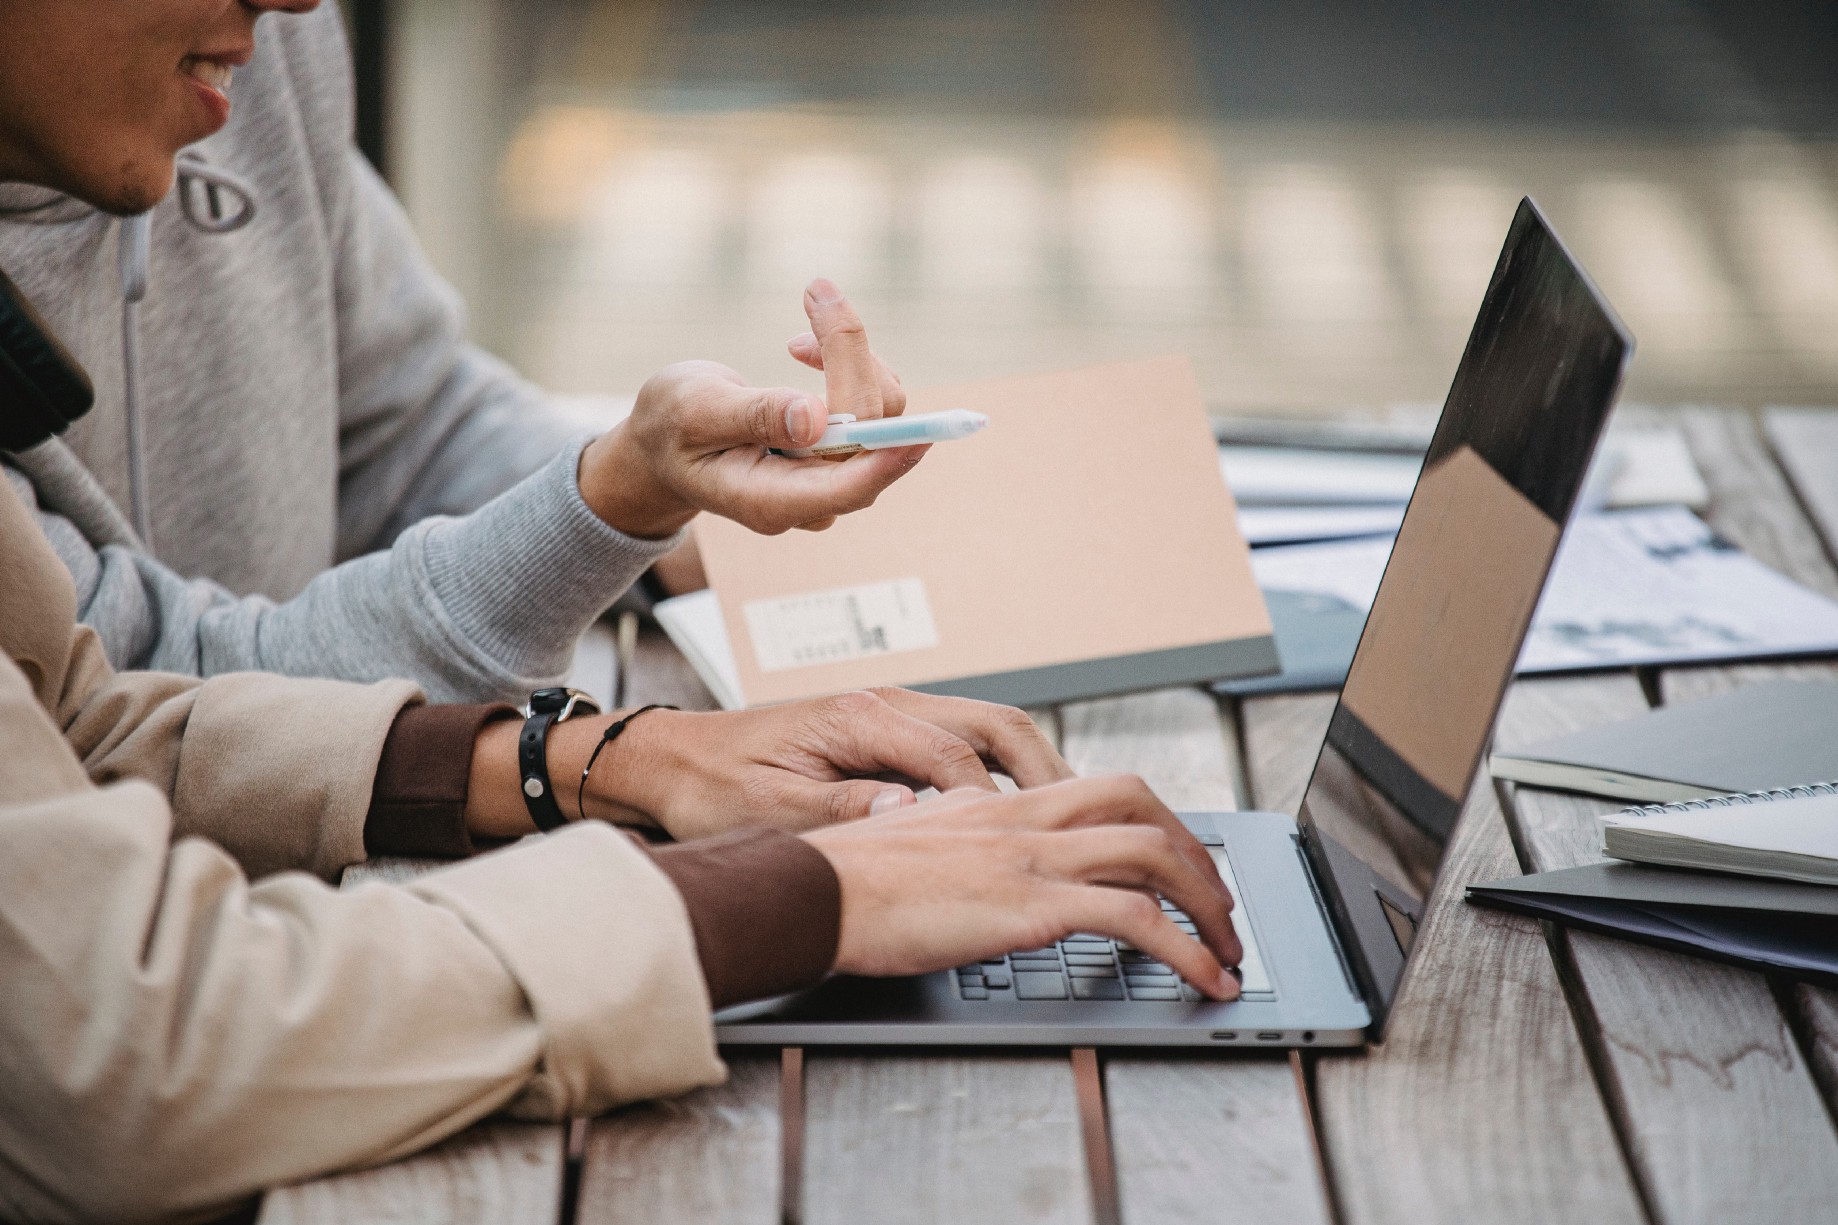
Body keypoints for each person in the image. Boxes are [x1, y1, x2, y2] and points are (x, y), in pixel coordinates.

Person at [0, 3, 1244, 1220]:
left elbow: (91, 713)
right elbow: (128, 1047)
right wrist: (803, 894)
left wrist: (598, 738)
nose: (298, 2)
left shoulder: (245, 64)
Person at [0, 0, 915, 703]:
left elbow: (406, 422)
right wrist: (612, 501)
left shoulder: (254, 62)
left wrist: (695, 499)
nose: (296, 4)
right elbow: (147, 700)